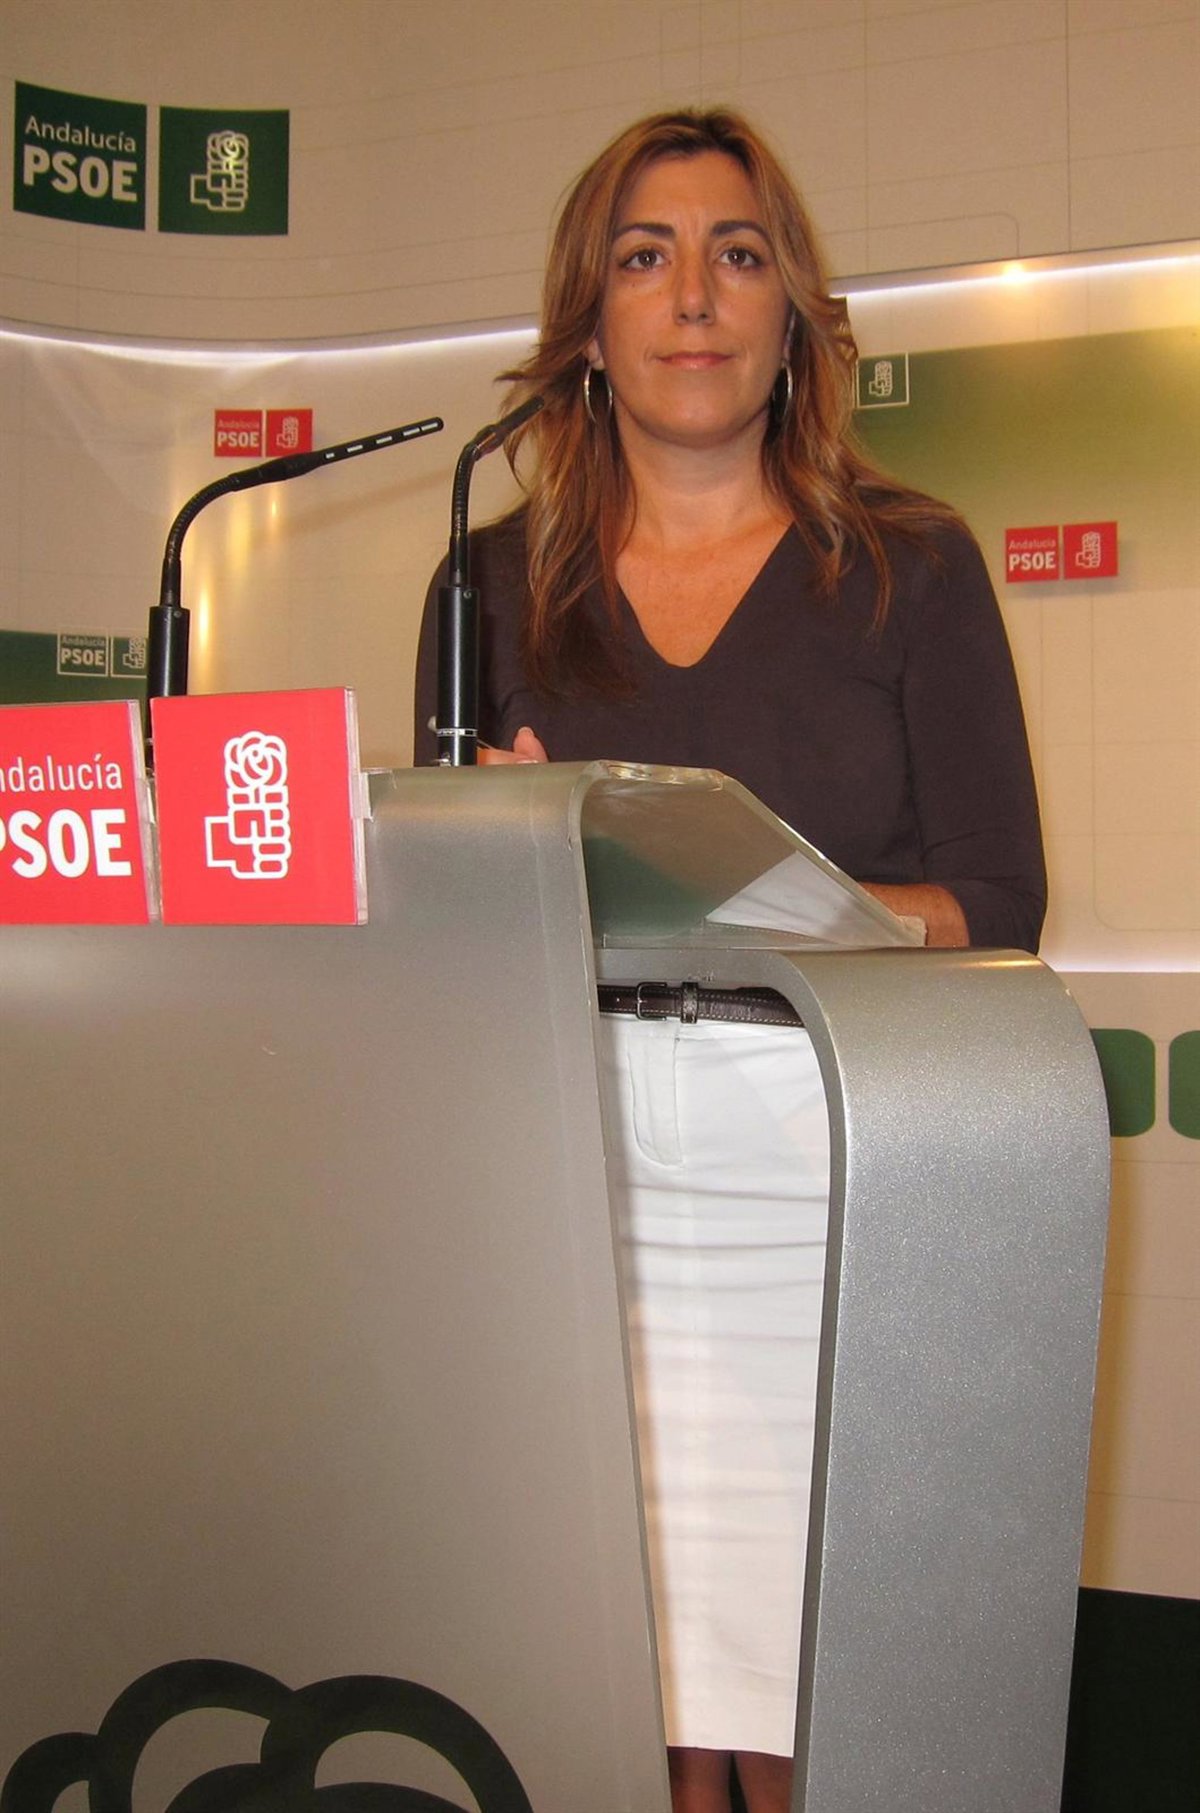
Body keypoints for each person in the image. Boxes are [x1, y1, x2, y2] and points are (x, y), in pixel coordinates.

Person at [415, 109, 1045, 1813]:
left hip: (822, 1157)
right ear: (588, 324)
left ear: (792, 318)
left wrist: (767, 898)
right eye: (645, 257)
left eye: (737, 254)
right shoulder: (489, 581)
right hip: (582, 1171)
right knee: (622, 1683)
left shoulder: (910, 563)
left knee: (796, 1684)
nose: (693, 295)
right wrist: (502, 857)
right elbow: (455, 941)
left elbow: (1001, 897)